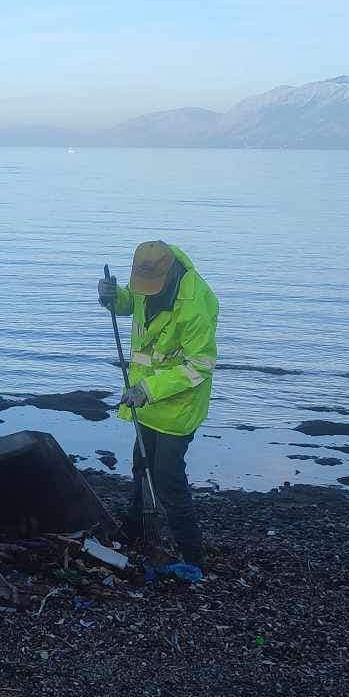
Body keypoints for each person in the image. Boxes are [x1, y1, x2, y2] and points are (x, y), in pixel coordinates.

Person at [98, 240, 218, 565]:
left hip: (177, 407)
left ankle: (192, 556)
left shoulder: (194, 309)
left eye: (152, 287)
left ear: (171, 274)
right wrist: (112, 297)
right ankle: (135, 529)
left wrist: (148, 388)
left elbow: (201, 365)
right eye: (141, 286)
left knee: (168, 479)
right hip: (146, 402)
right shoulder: (149, 281)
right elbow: (129, 304)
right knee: (140, 464)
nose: (146, 292)